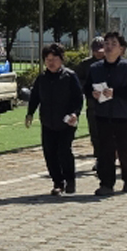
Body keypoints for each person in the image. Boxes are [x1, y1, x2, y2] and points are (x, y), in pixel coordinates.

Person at [24, 43, 83, 195]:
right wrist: (30, 113)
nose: (51, 62)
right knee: (49, 153)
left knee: (64, 151)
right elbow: (35, 97)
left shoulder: (69, 76)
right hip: (47, 122)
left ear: (61, 59)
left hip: (66, 122)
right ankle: (58, 182)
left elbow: (78, 98)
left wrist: (75, 113)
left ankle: (70, 180)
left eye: (54, 59)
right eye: (48, 59)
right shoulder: (42, 78)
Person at [84, 33, 127, 193]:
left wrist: (116, 93)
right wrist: (92, 93)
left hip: (123, 115)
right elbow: (86, 87)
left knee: (125, 150)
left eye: (114, 44)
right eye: (107, 43)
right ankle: (106, 183)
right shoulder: (95, 68)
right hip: (102, 115)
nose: (109, 47)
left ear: (121, 49)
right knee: (105, 151)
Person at [78, 37, 110, 183]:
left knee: (110, 132)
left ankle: (111, 156)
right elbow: (79, 80)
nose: (99, 53)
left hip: (110, 103)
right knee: (95, 132)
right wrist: (90, 88)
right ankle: (99, 158)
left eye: (101, 51)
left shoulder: (110, 62)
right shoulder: (85, 64)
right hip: (93, 103)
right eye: (96, 51)